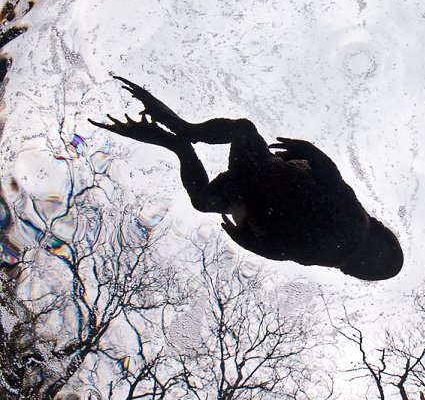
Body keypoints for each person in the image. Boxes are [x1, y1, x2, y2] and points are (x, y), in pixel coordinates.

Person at [90, 77, 404, 281]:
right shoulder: (330, 251)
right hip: (252, 196)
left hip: (261, 176)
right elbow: (281, 250)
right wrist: (248, 240)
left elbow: (331, 179)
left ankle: (184, 133)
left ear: (382, 232)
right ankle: (179, 142)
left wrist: (307, 151)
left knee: (242, 130)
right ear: (355, 271)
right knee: (204, 201)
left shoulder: (355, 223)